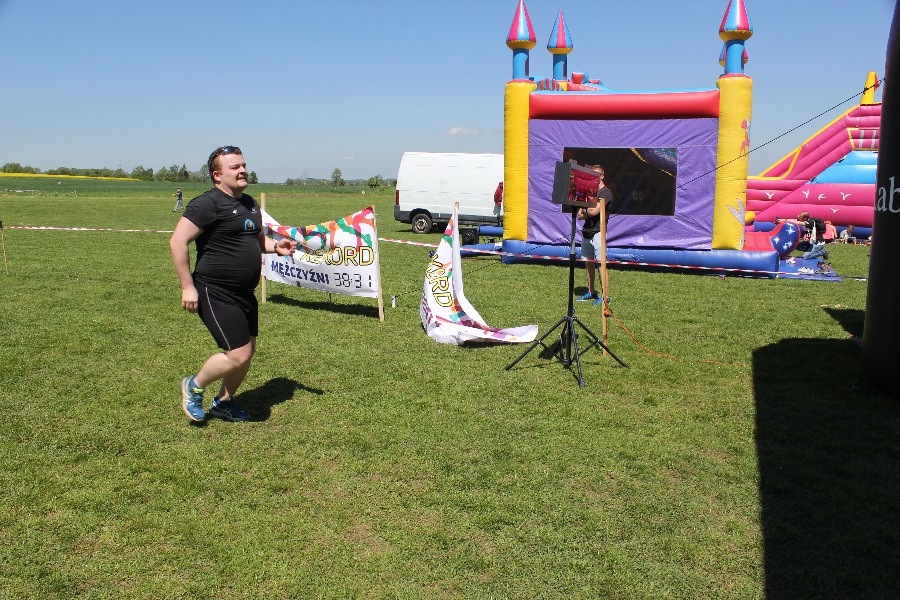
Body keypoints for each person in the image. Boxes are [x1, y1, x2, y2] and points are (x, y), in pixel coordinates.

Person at [169, 146, 296, 422]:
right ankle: (194, 385)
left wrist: (277, 247)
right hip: (215, 291)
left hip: (244, 293)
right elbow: (178, 241)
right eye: (235, 167)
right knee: (238, 355)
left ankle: (223, 403)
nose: (243, 171)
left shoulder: (250, 203)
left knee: (247, 354)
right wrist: (187, 287)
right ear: (217, 175)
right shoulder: (207, 204)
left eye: (243, 165)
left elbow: (256, 240)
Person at [575, 165, 613, 306]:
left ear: (602, 176)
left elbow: (593, 212)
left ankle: (605, 296)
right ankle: (591, 292)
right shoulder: (589, 192)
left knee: (600, 264)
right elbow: (580, 215)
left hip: (598, 232)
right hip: (587, 231)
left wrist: (586, 209)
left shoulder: (606, 193)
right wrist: (587, 210)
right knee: (588, 262)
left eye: (596, 174)